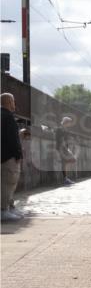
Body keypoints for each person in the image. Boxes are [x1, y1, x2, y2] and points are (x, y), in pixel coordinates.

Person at [1, 93, 23, 222]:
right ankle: (3, 210)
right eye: (13, 102)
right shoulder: (8, 117)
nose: (14, 104)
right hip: (8, 157)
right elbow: (12, 139)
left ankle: (9, 207)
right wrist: (18, 154)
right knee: (9, 182)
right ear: (9, 102)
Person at [55, 116, 78, 185]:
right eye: (69, 122)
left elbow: (66, 139)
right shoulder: (60, 129)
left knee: (68, 161)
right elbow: (61, 140)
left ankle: (65, 178)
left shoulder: (65, 129)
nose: (70, 124)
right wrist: (66, 149)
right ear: (66, 122)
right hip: (62, 148)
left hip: (64, 148)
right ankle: (65, 179)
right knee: (70, 160)